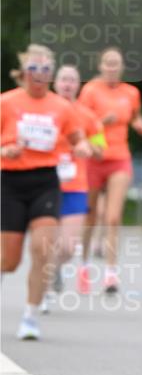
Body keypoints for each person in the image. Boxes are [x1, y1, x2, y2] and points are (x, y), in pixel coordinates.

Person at [1, 45, 89, 340]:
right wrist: (6, 149)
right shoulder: (6, 102)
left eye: (46, 70)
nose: (40, 75)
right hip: (10, 182)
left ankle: (30, 316)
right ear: (24, 72)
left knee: (42, 250)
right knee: (9, 261)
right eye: (35, 69)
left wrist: (83, 147)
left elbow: (79, 139)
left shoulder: (61, 107)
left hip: (45, 182)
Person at [78, 47, 142, 293]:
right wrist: (101, 122)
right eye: (107, 63)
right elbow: (78, 124)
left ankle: (111, 274)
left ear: (122, 67)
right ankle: (85, 266)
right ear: (100, 66)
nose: (111, 68)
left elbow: (135, 118)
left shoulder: (131, 92)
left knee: (113, 217)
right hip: (94, 158)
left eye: (116, 64)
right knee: (89, 217)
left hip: (119, 158)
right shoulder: (90, 91)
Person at [45, 64, 105, 299]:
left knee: (69, 247)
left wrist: (87, 147)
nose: (67, 84)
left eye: (72, 80)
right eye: (63, 80)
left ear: (78, 86)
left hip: (75, 185)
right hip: (45, 183)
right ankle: (45, 285)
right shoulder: (43, 110)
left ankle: (57, 267)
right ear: (55, 83)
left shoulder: (88, 117)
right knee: (49, 238)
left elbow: (100, 149)